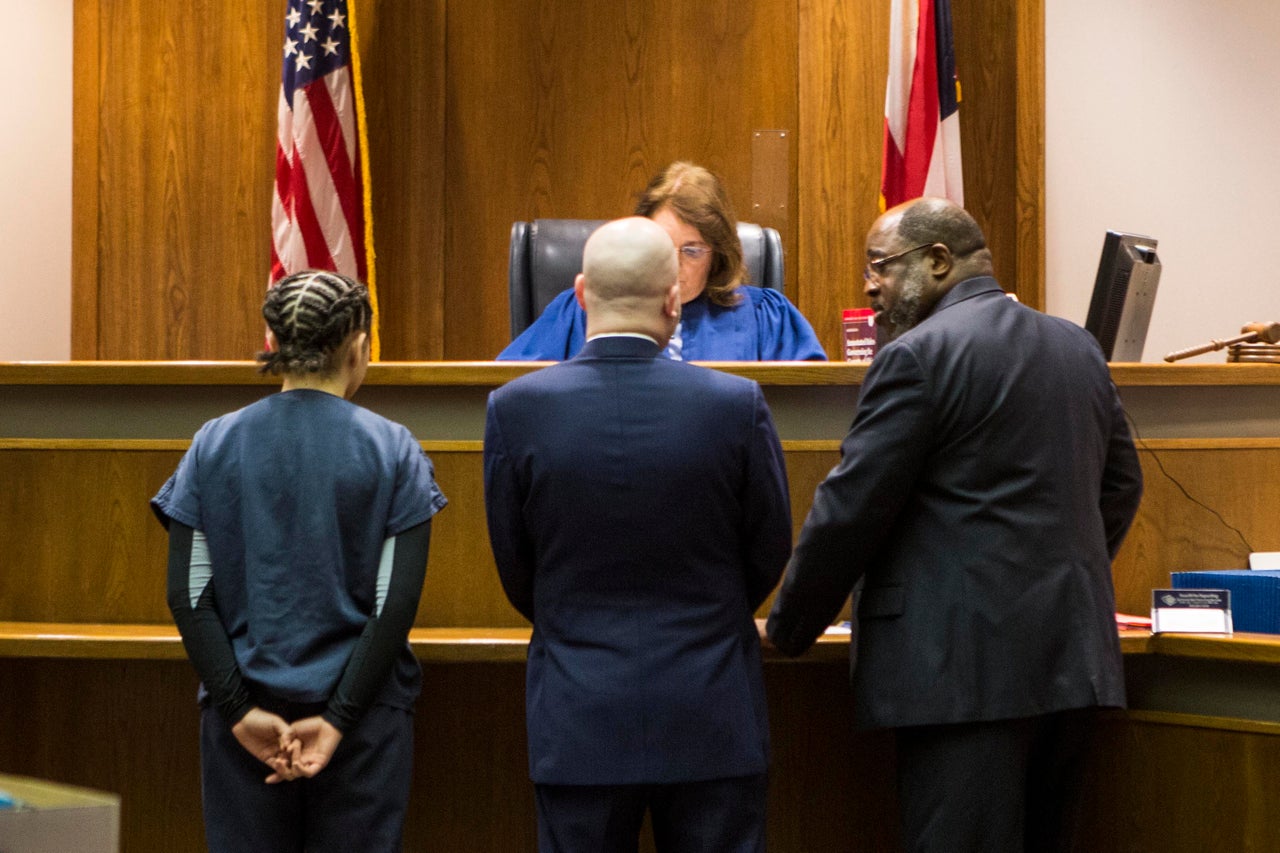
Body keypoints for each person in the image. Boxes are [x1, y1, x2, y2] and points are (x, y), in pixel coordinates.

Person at [766, 198, 1144, 853]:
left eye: (880, 266)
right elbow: (1121, 486)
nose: (868, 285)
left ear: (939, 261)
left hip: (961, 678)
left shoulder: (917, 357)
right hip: (1070, 661)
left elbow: (851, 509)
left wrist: (790, 627)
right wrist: (1058, 575)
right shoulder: (1077, 347)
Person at [484, 217, 793, 852]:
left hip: (579, 716)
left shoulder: (516, 409)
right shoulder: (736, 405)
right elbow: (768, 550)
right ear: (674, 299)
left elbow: (517, 566)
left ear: (578, 293)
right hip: (711, 710)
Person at [151, 270, 447, 853]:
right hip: (363, 727)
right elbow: (394, 607)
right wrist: (336, 720)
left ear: (273, 341)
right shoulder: (394, 448)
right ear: (358, 345)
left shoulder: (213, 442)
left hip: (245, 721)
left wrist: (239, 712)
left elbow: (188, 596)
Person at [498, 161, 828, 361]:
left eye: (692, 250)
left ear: (718, 253)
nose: (673, 264)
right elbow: (509, 391)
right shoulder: (582, 308)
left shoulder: (766, 317)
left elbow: (805, 413)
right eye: (662, 246)